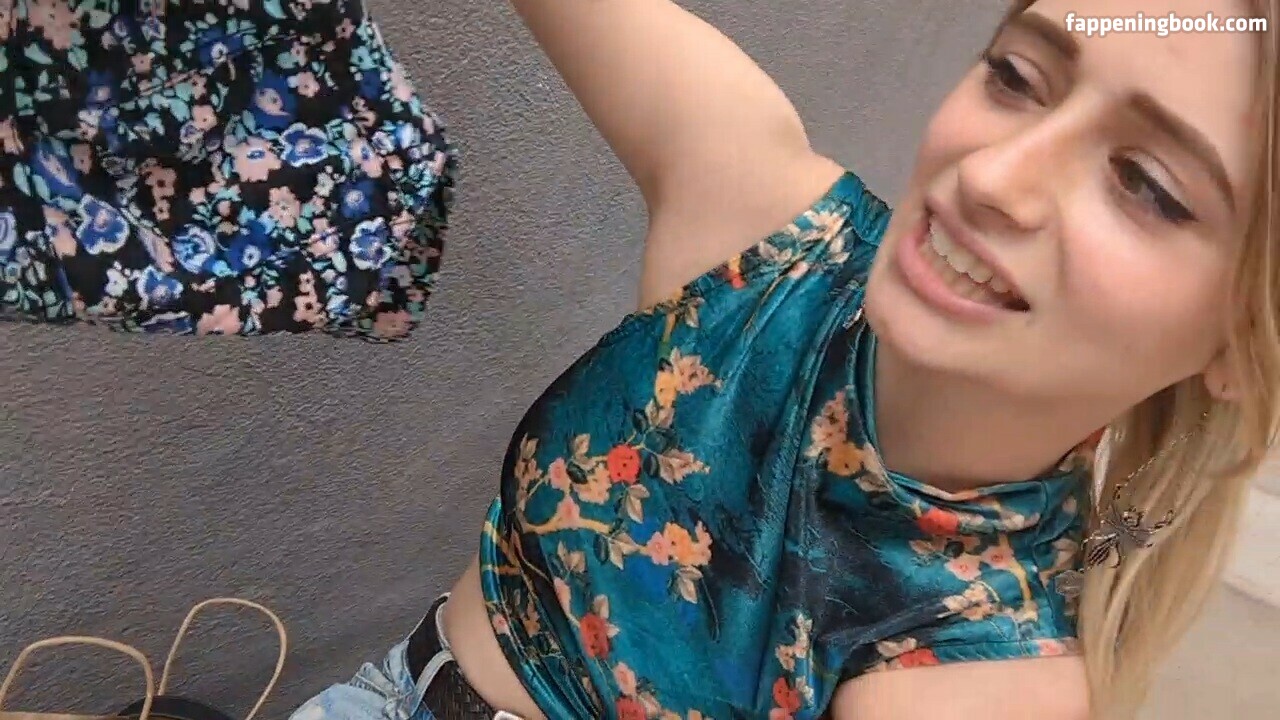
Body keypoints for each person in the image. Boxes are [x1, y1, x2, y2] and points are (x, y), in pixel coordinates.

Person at [289, 0, 1277, 718]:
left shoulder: (987, 678)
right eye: (1016, 77)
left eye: (1146, 184)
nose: (991, 177)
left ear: (1242, 342)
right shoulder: (768, 238)